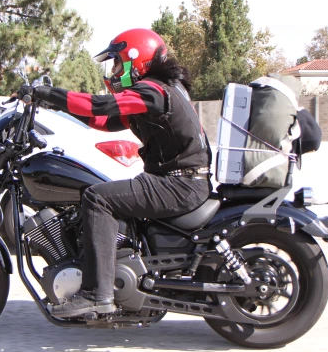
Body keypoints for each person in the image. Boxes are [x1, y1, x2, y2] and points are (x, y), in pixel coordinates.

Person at [20, 28, 212, 318]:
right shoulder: (157, 91)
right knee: (106, 192)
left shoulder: (153, 90)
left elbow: (101, 105)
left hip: (179, 184)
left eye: (118, 63)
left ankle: (97, 294)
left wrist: (47, 92)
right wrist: (54, 105)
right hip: (179, 180)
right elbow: (102, 119)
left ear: (137, 59)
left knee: (98, 198)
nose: (114, 71)